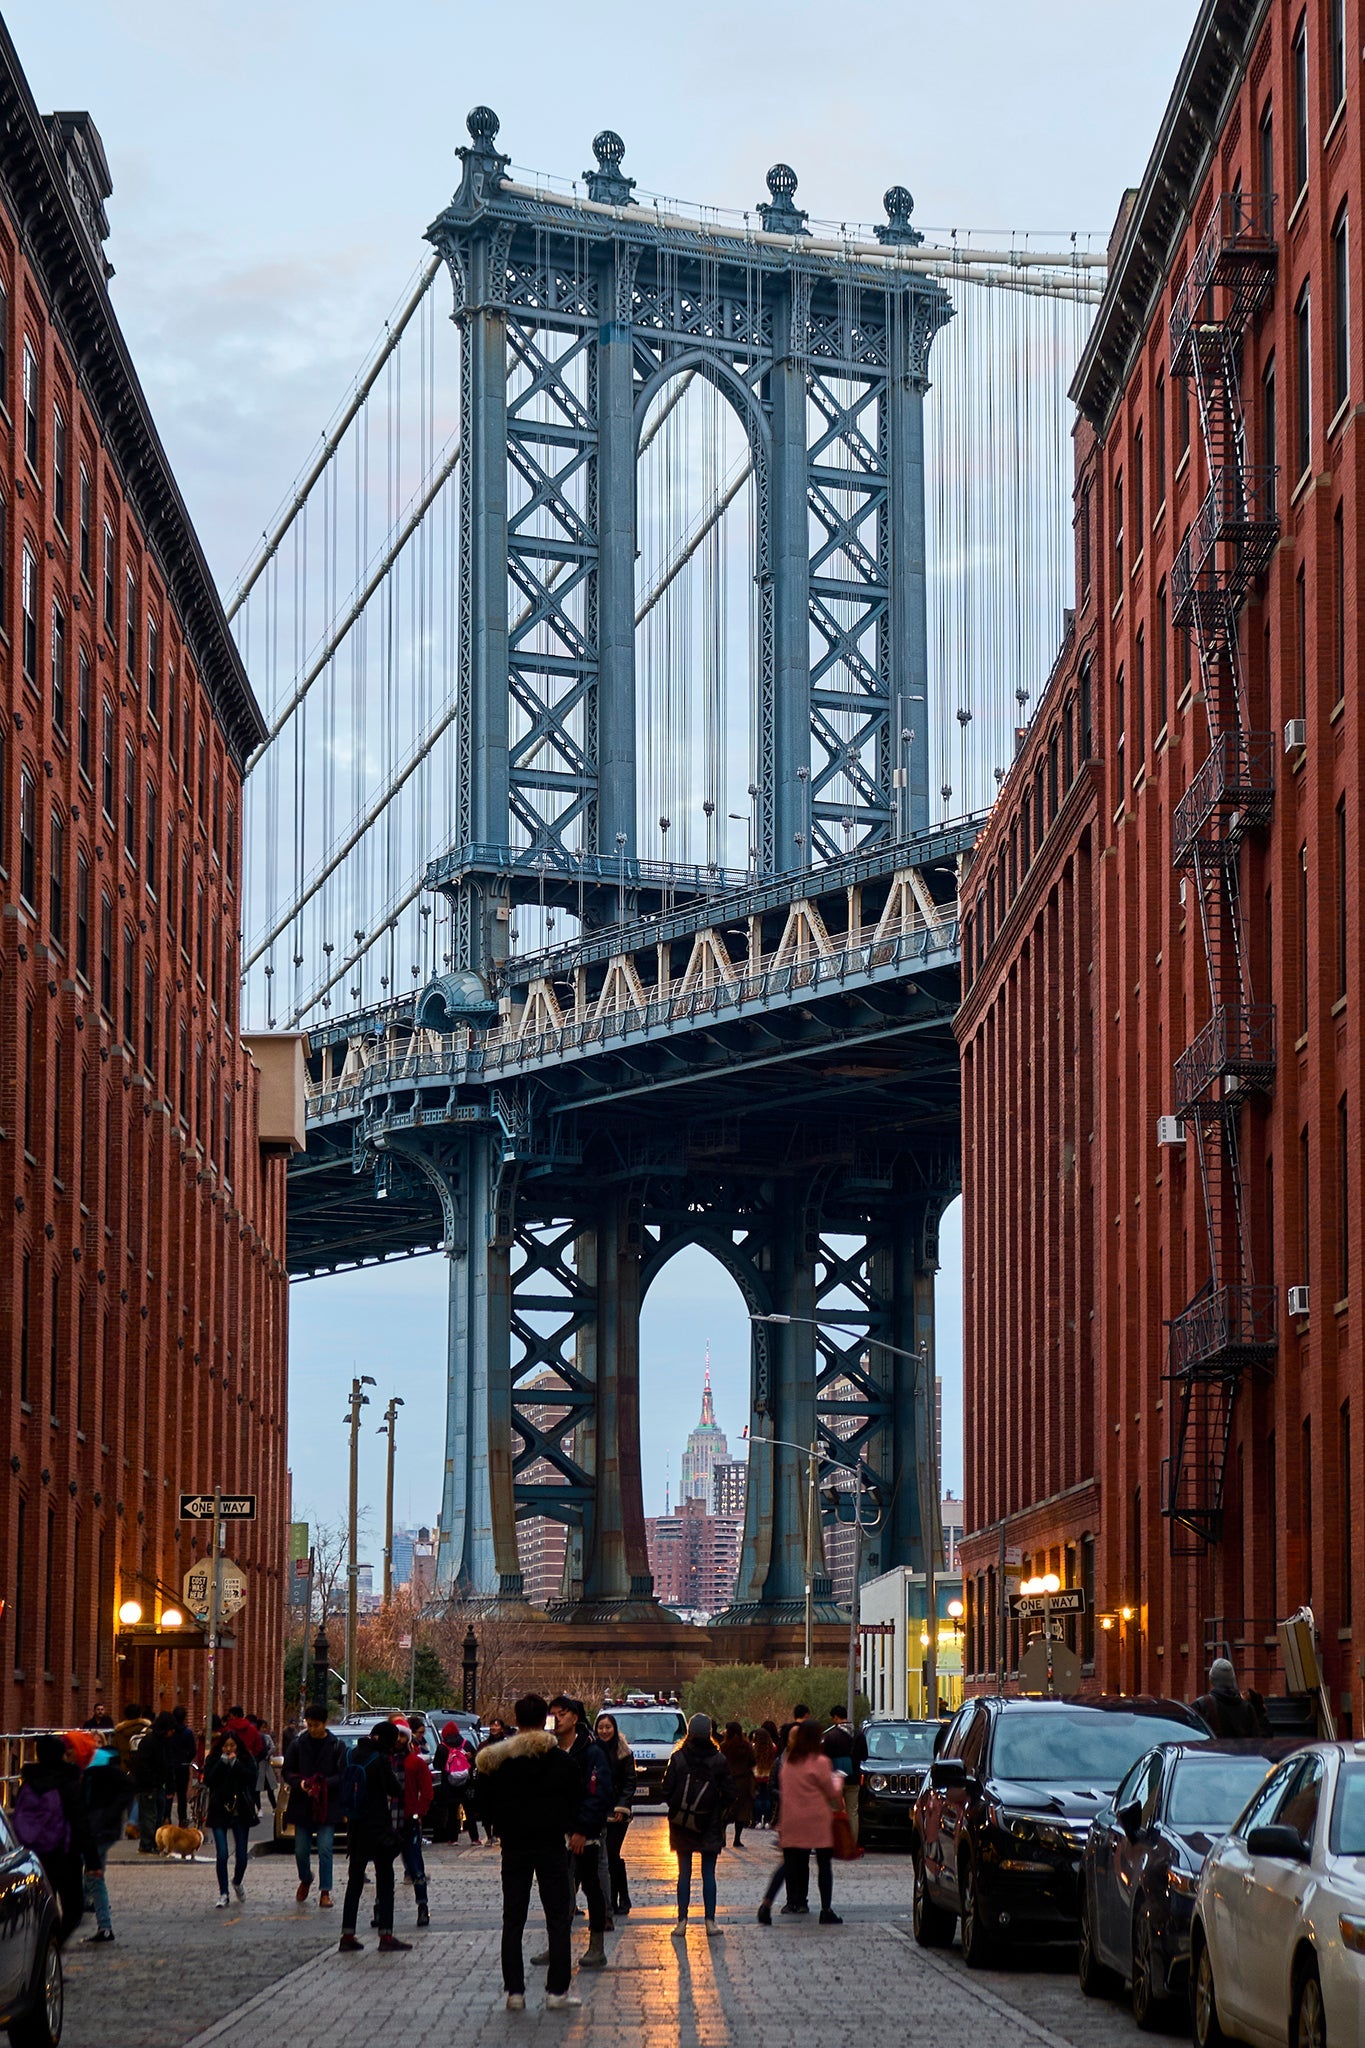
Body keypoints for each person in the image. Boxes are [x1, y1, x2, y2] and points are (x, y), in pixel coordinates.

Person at [475, 1692, 583, 2011]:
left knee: (514, 1918)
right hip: (551, 1843)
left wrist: (496, 1825)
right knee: (557, 1918)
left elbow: (484, 1802)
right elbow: (576, 1800)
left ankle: (515, 1992)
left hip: (515, 1844)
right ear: (544, 1721)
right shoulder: (561, 1761)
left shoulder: (498, 1761)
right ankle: (557, 1991)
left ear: (517, 1720)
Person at [541, 1696, 612, 1970]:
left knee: (591, 1886)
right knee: (556, 1890)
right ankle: (556, 1944)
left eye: (561, 1714)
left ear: (574, 1717)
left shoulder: (591, 1751)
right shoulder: (549, 1750)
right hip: (555, 1834)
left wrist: (582, 1830)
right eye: (552, 1714)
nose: (556, 1720)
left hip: (586, 1835)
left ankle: (597, 1946)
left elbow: (598, 1794)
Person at [756, 1718, 844, 1927]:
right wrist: (838, 1780)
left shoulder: (789, 1763)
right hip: (817, 1819)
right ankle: (826, 1910)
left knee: (788, 1864)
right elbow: (831, 1792)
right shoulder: (821, 1762)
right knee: (823, 1865)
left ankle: (766, 1905)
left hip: (792, 1819)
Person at [338, 1721, 411, 1955]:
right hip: (378, 1827)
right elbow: (394, 1789)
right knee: (385, 1880)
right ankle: (386, 1936)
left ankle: (347, 1934)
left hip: (355, 1827)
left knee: (355, 1882)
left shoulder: (349, 1755)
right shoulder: (380, 1760)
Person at [14, 1733, 93, 1942]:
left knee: (40, 1909)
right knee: (74, 1909)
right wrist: (92, 1860)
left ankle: (42, 1951)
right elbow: (80, 1821)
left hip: (35, 1855)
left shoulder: (28, 1782)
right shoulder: (69, 1781)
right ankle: (52, 1948)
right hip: (65, 1854)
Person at [660, 1714, 732, 1940]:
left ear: (689, 1732)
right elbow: (730, 1794)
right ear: (709, 1733)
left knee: (684, 1873)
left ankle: (681, 1921)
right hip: (710, 1823)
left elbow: (666, 1790)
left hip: (683, 1823)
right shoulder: (719, 1759)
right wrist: (718, 1811)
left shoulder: (679, 1757)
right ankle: (710, 1921)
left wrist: (679, 1808)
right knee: (708, 1873)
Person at [282, 1706, 345, 1908]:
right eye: (308, 1725)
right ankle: (306, 1877)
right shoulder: (298, 1744)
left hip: (327, 1805)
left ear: (324, 1723)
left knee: (325, 1848)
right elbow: (287, 1771)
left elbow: (342, 1774)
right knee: (301, 1850)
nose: (311, 1729)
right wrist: (300, 1783)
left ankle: (325, 1891)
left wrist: (325, 1784)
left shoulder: (336, 1745)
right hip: (302, 1804)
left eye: (315, 1725)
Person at [79, 1732, 133, 1945]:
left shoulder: (96, 1769)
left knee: (93, 1875)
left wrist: (108, 1815)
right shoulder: (100, 1767)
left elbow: (126, 1789)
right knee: (94, 1874)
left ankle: (103, 1924)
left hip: (99, 1831)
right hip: (102, 1830)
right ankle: (104, 1925)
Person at [203, 1731, 259, 1908]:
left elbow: (251, 1778)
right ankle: (223, 1893)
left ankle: (237, 1881)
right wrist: (222, 1763)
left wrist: (235, 1764)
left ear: (237, 1746)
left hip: (240, 1811)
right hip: (219, 1810)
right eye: (225, 1746)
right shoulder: (214, 1759)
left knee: (242, 1856)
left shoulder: (245, 1758)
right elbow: (209, 1780)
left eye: (232, 1746)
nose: (229, 1749)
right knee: (222, 1853)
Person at [594, 1711, 635, 1915]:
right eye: (601, 1727)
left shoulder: (624, 1752)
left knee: (611, 1854)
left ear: (614, 1728)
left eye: (608, 1727)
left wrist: (622, 1807)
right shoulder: (591, 1750)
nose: (604, 1731)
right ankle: (610, 1899)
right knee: (605, 1857)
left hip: (618, 1812)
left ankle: (621, 1899)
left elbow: (630, 1782)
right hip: (598, 1810)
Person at [394, 1719, 434, 1927]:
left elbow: (427, 1791)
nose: (399, 1739)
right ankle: (379, 1907)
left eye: (402, 1735)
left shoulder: (415, 1763)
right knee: (383, 1868)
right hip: (388, 1821)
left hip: (408, 1820)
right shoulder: (385, 1761)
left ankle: (422, 1906)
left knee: (416, 1866)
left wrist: (419, 1812)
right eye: (396, 1735)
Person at [1194, 1656, 1271, 1737]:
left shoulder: (1201, 1705)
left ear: (1211, 1678)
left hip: (1212, 1749)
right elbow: (1255, 1739)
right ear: (1232, 1679)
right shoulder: (1247, 1708)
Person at [133, 1711, 175, 1854]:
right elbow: (144, 1765)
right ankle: (147, 1844)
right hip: (148, 1785)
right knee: (149, 1816)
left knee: (158, 1815)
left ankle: (156, 1843)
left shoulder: (164, 1742)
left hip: (158, 1785)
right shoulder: (150, 1741)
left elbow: (168, 1765)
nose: (172, 1733)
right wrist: (152, 1781)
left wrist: (169, 1785)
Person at [822, 1705, 860, 1840]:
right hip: (854, 1777)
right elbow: (865, 1755)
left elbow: (825, 1757)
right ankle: (852, 1842)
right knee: (853, 1811)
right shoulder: (858, 1734)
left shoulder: (831, 1736)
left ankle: (833, 1841)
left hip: (835, 1777)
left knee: (833, 1809)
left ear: (836, 1718)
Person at [719, 1723, 755, 1848]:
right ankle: (737, 1839)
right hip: (743, 1782)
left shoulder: (723, 1747)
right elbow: (752, 1761)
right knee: (741, 1811)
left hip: (727, 1781)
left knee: (725, 1810)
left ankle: (722, 1838)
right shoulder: (747, 1747)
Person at [169, 1705, 199, 1827]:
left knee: (169, 1793)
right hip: (182, 1766)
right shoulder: (187, 1733)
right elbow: (192, 1750)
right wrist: (186, 1759)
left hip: (170, 1765)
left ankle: (166, 1817)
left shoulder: (170, 1732)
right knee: (182, 1795)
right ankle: (182, 1818)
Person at [752, 1722, 778, 1829]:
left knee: (757, 1799)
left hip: (756, 1775)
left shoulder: (753, 1748)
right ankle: (767, 1820)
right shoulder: (773, 1747)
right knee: (767, 1799)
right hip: (768, 1775)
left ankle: (758, 1820)